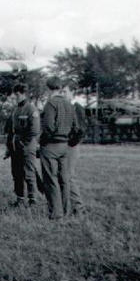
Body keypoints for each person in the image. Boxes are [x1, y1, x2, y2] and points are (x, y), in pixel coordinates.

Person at [39, 77, 78, 220]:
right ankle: (66, 211)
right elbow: (75, 127)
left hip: (51, 145)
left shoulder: (50, 104)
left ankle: (56, 213)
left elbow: (48, 126)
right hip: (65, 145)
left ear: (48, 89)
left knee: (51, 180)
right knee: (64, 180)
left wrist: (42, 142)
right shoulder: (69, 104)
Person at [5, 83, 40, 207]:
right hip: (15, 146)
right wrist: (9, 147)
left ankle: (32, 199)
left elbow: (34, 130)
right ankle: (19, 199)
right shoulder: (15, 110)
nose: (14, 97)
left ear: (21, 94)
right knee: (16, 173)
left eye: (16, 95)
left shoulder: (31, 109)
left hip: (27, 145)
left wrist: (24, 143)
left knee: (29, 173)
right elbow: (11, 130)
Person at [62, 79, 87, 215]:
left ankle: (79, 208)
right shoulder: (63, 107)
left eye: (65, 91)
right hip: (62, 146)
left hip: (71, 146)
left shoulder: (77, 108)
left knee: (69, 176)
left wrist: (70, 143)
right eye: (61, 91)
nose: (62, 94)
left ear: (73, 92)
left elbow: (81, 130)